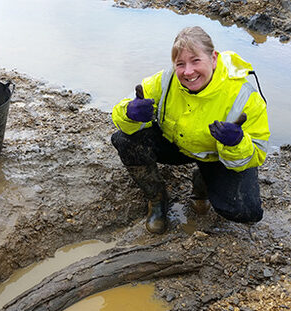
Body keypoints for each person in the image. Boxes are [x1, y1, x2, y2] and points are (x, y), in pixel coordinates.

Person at [111, 26, 270, 234]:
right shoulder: (165, 80)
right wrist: (129, 112)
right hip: (177, 143)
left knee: (247, 211)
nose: (188, 71)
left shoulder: (244, 97)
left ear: (213, 58)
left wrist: (237, 143)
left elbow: (257, 154)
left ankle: (203, 181)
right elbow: (120, 115)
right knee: (124, 140)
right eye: (180, 64)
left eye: (196, 61)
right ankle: (157, 200)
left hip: (217, 156)